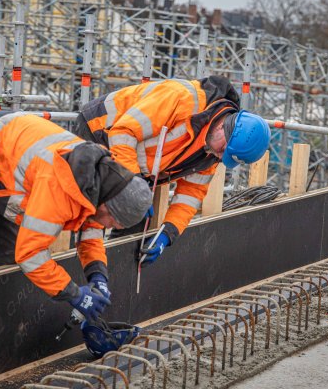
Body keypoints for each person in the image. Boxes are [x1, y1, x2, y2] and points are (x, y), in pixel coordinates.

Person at [0, 110, 153, 321]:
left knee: (6, 261)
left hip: (1, 166)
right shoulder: (59, 186)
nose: (110, 227)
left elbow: (90, 232)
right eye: (114, 223)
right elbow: (30, 255)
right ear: (108, 207)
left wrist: (98, 275)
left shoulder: (97, 181)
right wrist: (75, 295)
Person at [75, 76, 271, 265]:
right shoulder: (180, 98)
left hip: (135, 164)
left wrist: (167, 234)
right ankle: (80, 269)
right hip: (98, 131)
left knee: (136, 215)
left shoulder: (211, 152)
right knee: (91, 209)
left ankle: (111, 273)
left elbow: (191, 194)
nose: (220, 157)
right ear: (222, 126)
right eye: (223, 150)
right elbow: (123, 133)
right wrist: (132, 183)